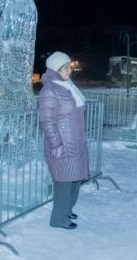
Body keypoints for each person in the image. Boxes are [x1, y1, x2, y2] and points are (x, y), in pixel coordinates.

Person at [39, 51, 89, 230]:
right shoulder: (50, 89)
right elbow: (47, 120)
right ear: (56, 68)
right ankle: (58, 218)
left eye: (70, 67)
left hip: (75, 142)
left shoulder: (67, 85)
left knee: (75, 179)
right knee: (64, 182)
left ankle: (66, 210)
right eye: (66, 67)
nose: (70, 70)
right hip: (62, 144)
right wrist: (56, 144)